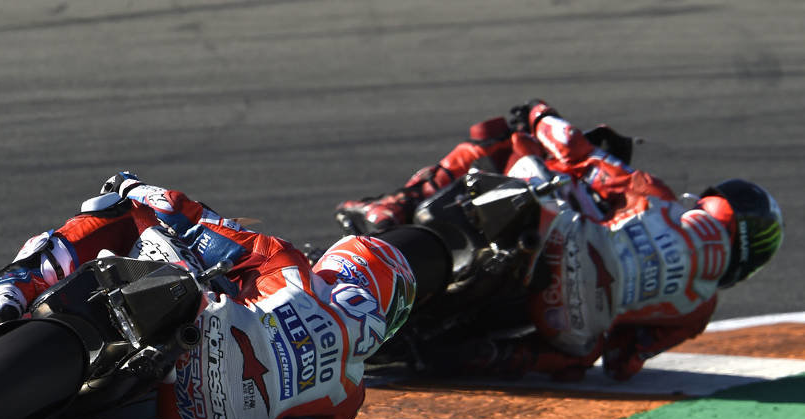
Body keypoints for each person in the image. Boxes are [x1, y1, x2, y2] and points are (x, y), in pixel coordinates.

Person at [0, 173, 416, 419]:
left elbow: (191, 216)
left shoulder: (288, 263)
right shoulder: (347, 397)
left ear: (341, 264)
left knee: (119, 215)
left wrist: (135, 186)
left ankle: (13, 286)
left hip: (202, 328)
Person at [335, 100, 784, 381]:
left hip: (568, 235)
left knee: (499, 143)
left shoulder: (660, 198)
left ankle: (396, 203)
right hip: (570, 318)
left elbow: (581, 155)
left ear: (712, 204)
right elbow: (623, 363)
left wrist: (538, 114)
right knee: (575, 359)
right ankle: (486, 356)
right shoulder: (698, 311)